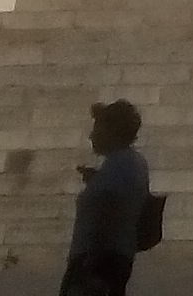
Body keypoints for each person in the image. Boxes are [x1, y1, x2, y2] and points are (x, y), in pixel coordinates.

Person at [62, 99, 152, 294]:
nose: (92, 135)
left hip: (96, 263)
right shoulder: (129, 163)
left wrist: (89, 264)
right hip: (112, 258)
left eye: (98, 128)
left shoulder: (121, 164)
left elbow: (109, 211)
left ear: (112, 132)